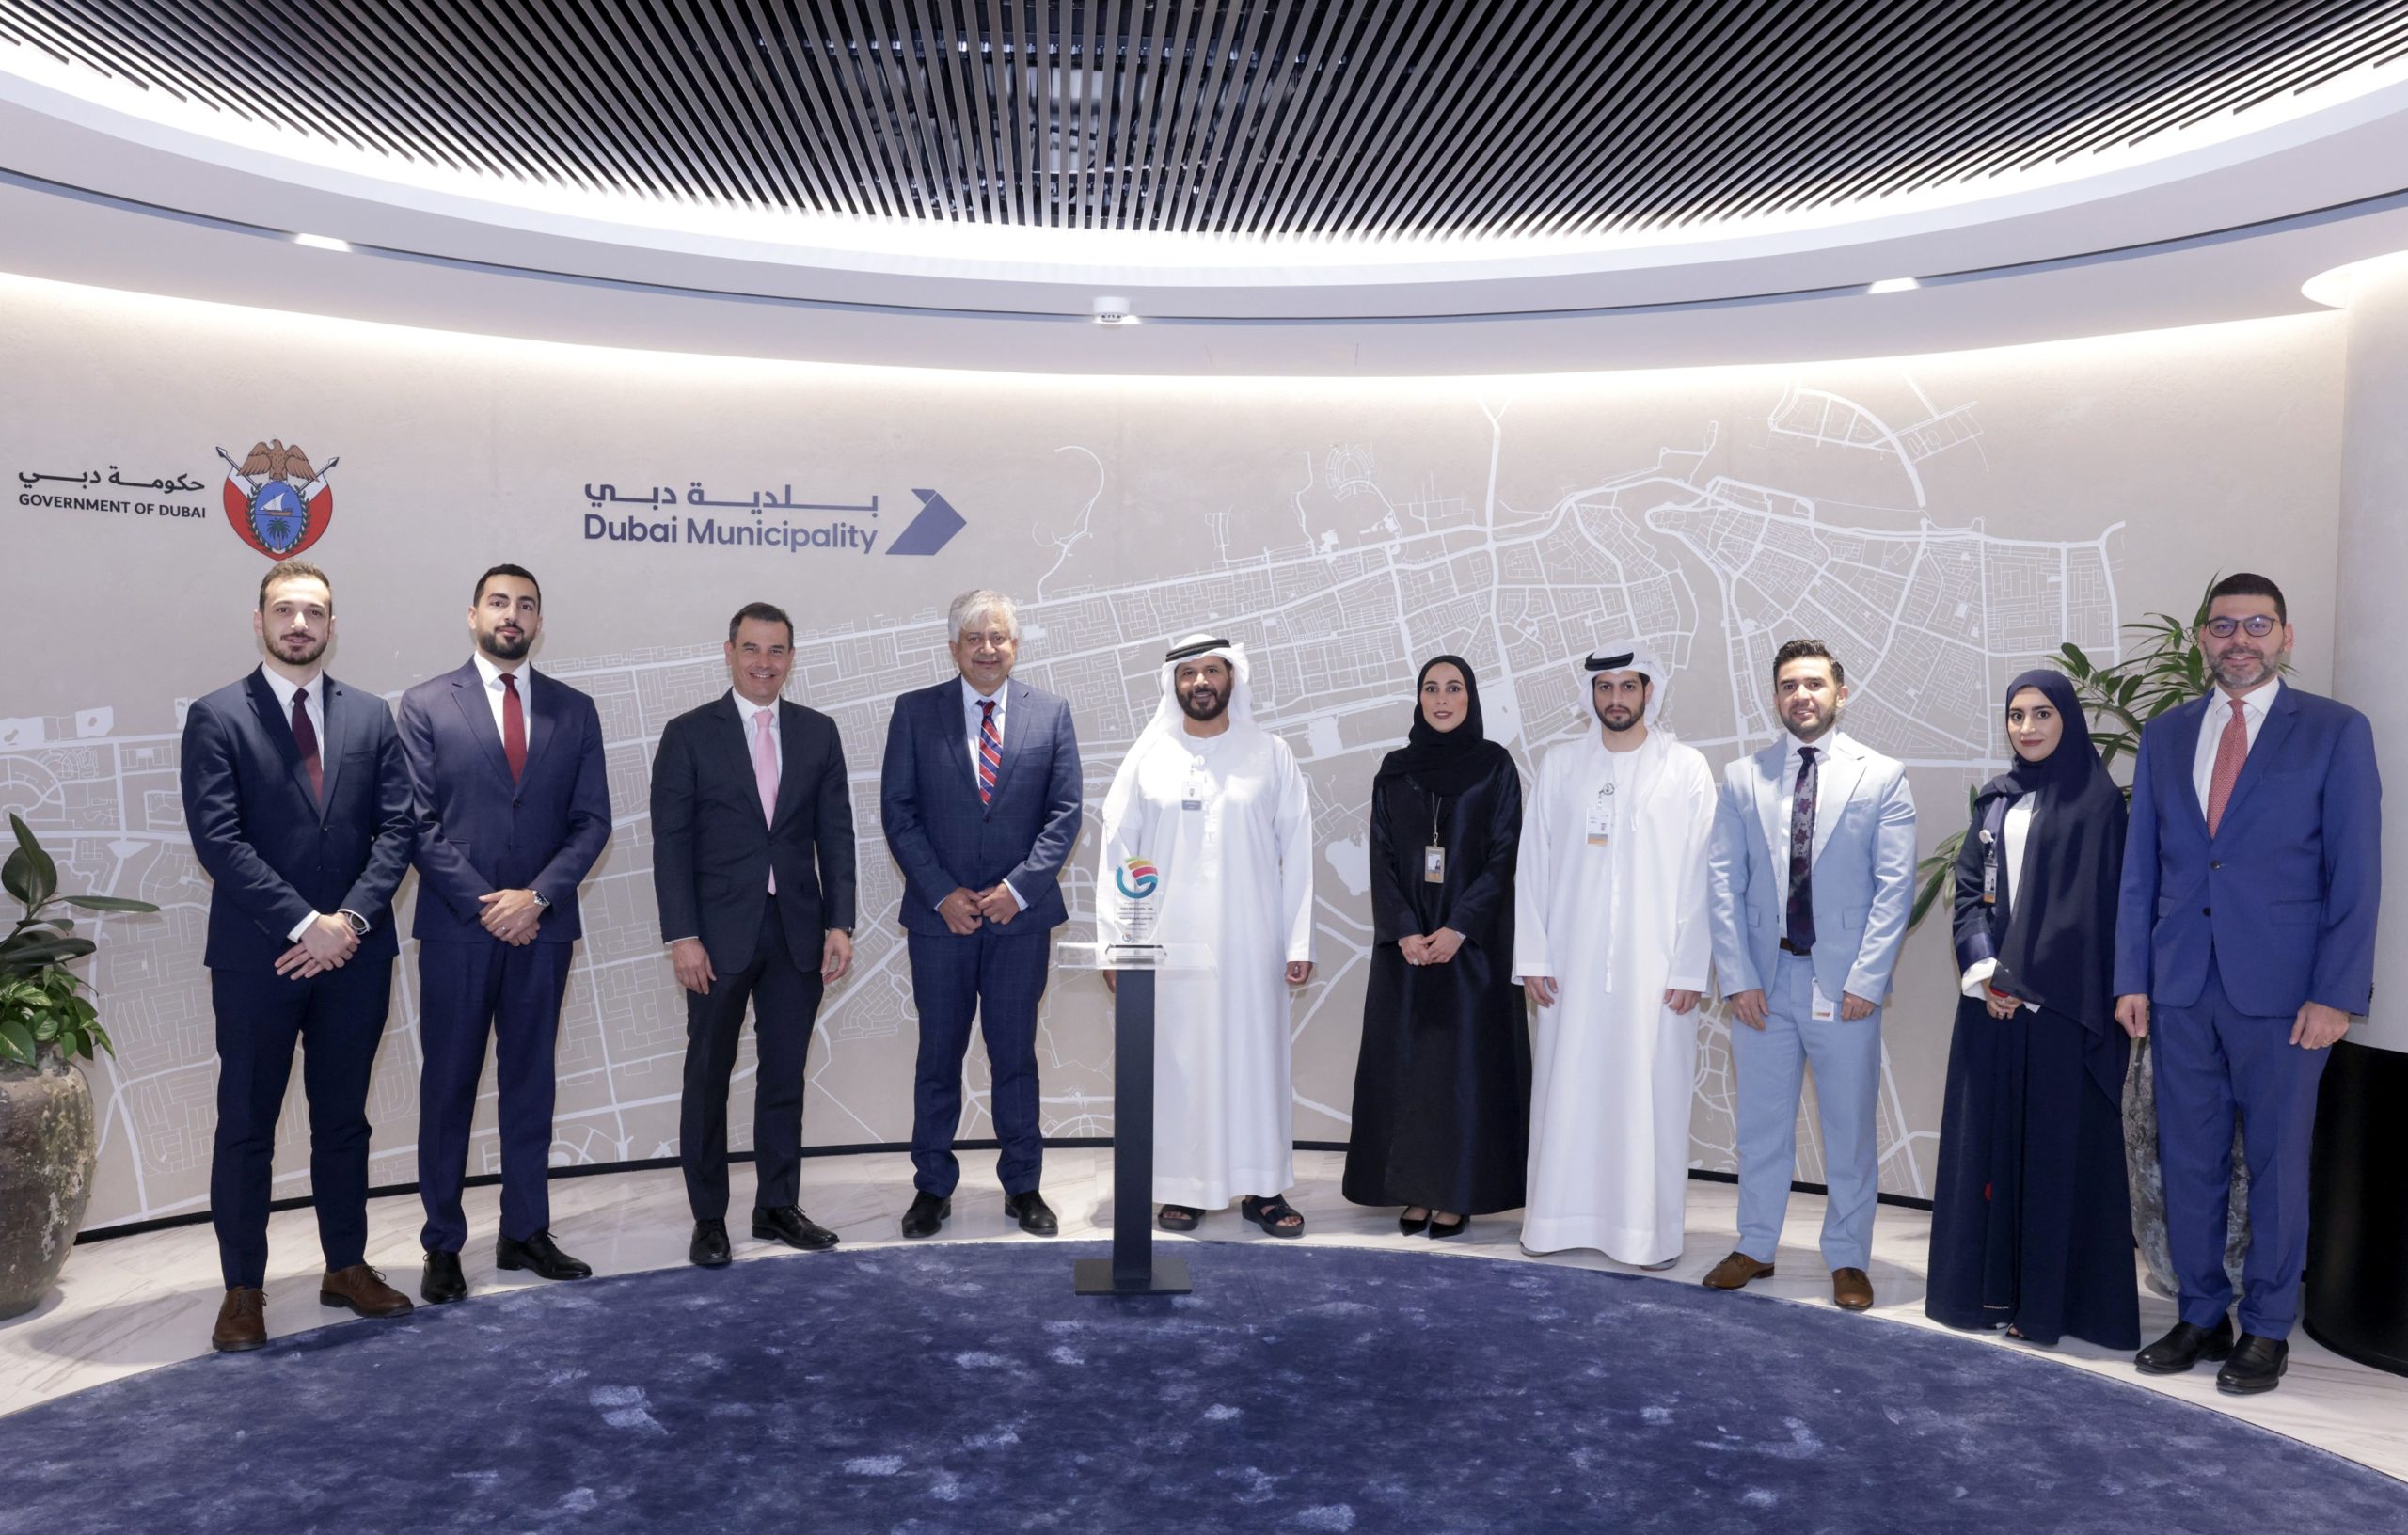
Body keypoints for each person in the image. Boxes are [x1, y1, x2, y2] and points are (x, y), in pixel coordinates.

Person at [2115, 572, 2379, 1394]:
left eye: (2257, 625)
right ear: (2203, 638)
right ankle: (2202, 1314)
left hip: (2287, 997)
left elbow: (2356, 872)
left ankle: (2266, 1326)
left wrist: (2336, 993)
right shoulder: (2167, 734)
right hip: (2181, 987)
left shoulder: (2334, 731)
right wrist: (2132, 977)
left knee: (2276, 1166)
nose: (2240, 640)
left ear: (2285, 637)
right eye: (2224, 626)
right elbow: (2141, 868)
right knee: (2188, 1161)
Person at [180, 559, 416, 1352]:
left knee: (343, 1121)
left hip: (355, 956)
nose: (299, 624)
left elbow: (398, 829)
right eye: (284, 610)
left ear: (332, 625)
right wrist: (302, 924)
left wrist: (346, 922)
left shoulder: (373, 716)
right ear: (260, 622)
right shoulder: (218, 716)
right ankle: (242, 1289)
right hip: (259, 959)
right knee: (246, 1124)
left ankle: (345, 1267)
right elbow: (219, 838)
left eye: (313, 611)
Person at [399, 564, 612, 1304]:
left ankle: (525, 1231)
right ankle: (442, 1244)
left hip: (543, 930)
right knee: (449, 1088)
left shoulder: (574, 710)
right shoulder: (426, 704)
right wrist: (490, 905)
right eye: (498, 603)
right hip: (459, 930)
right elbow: (417, 825)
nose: (511, 615)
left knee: (531, 1085)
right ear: (473, 615)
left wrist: (538, 898)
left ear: (539, 623)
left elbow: (593, 822)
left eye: (525, 605)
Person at [1926, 669, 2137, 1349]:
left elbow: (2089, 913)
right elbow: (1969, 891)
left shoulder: (2097, 803)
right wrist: (1986, 969)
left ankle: (2046, 1307)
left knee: (2051, 1157)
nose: (2027, 727)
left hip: (2060, 1012)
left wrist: (2021, 981)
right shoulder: (1997, 798)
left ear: (2067, 719)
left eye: (2042, 713)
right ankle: (1984, 1296)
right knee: (1988, 1147)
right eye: (2016, 715)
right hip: (1991, 1005)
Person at [1703, 638, 1915, 1311]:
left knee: (1848, 1131)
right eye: (1790, 685)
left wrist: (1866, 980)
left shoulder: (1882, 776)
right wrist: (1737, 978)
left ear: (1840, 694)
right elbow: (1723, 883)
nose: (1802, 695)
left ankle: (1848, 1258)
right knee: (1761, 1127)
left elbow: (1895, 889)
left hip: (1843, 987)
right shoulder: (1743, 778)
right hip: (1764, 985)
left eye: (1815, 684)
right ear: (1775, 697)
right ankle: (1755, 1245)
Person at [651, 602, 857, 1268]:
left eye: (776, 650)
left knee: (784, 1076)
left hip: (798, 933)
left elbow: (837, 835)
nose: (763, 662)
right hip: (715, 939)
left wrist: (840, 923)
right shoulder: (688, 735)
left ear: (791, 658)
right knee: (708, 1077)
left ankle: (777, 1206)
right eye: (751, 648)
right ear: (729, 651)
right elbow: (670, 845)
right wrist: (682, 935)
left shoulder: (818, 733)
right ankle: (709, 1218)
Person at [1096, 635, 1314, 1237]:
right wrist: (1117, 944)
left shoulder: (1270, 754)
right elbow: (1120, 855)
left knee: (1254, 1062)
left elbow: (1296, 852)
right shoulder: (1148, 759)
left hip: (1252, 945)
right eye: (1188, 672)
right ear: (1173, 684)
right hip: (1170, 951)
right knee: (1181, 1064)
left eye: (1211, 670)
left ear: (1231, 678)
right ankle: (1182, 1187)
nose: (1199, 682)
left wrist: (1298, 942)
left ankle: (1263, 1188)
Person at [880, 590, 1083, 1239]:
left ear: (1015, 646)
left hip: (1019, 922)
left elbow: (1064, 814)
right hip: (940, 920)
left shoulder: (1050, 713)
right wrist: (942, 893)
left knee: (1014, 1056)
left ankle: (1024, 1186)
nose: (987, 649)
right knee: (938, 1056)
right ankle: (931, 1188)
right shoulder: (915, 712)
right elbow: (899, 813)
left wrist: (1016, 890)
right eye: (974, 638)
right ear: (954, 648)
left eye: (998, 637)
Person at [1513, 645, 1716, 1267]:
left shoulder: (1686, 768)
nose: (1617, 698)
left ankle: (1643, 1235)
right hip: (1569, 968)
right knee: (1566, 1092)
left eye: (1629, 686)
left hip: (1656, 973)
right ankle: (1555, 1223)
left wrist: (1690, 966)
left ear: (1649, 691)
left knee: (1649, 1098)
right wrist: (1534, 957)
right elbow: (1533, 863)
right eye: (1605, 687)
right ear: (1592, 695)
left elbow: (1703, 874)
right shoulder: (1560, 766)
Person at [1343, 655, 1529, 1238]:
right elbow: (1381, 854)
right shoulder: (1395, 770)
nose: (1442, 699)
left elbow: (1504, 854)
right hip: (1407, 950)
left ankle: (1457, 1192)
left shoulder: (1495, 767)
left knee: (1463, 1070)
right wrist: (1403, 929)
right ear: (1419, 698)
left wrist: (1459, 928)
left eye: (1453, 688)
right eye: (1431, 688)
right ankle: (1414, 1191)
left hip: (1471, 949)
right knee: (1410, 1070)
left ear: (1471, 698)